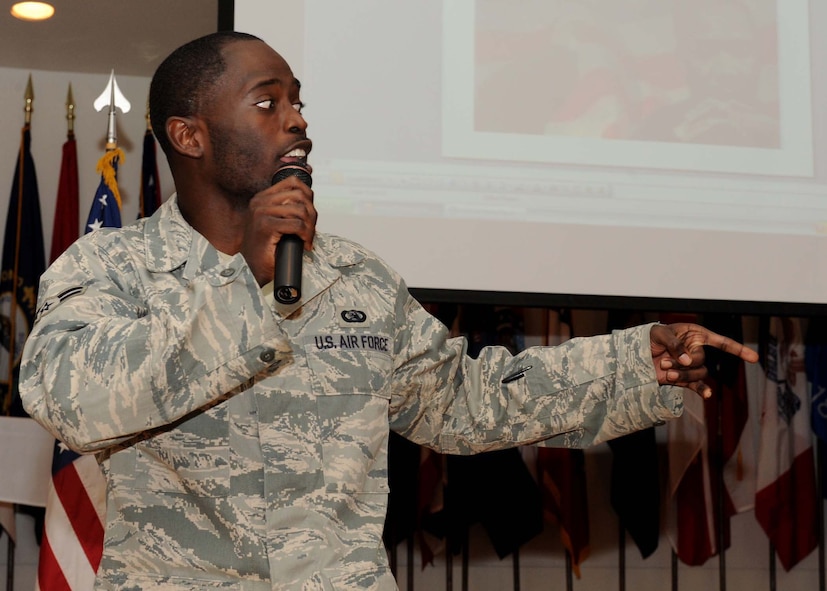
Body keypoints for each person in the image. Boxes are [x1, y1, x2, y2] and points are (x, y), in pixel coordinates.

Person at [20, 31, 758, 591]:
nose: (298, 121)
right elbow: (75, 404)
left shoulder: (353, 277)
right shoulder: (110, 270)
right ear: (190, 135)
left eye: (300, 101)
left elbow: (463, 402)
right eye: (269, 102)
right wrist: (243, 277)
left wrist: (638, 362)